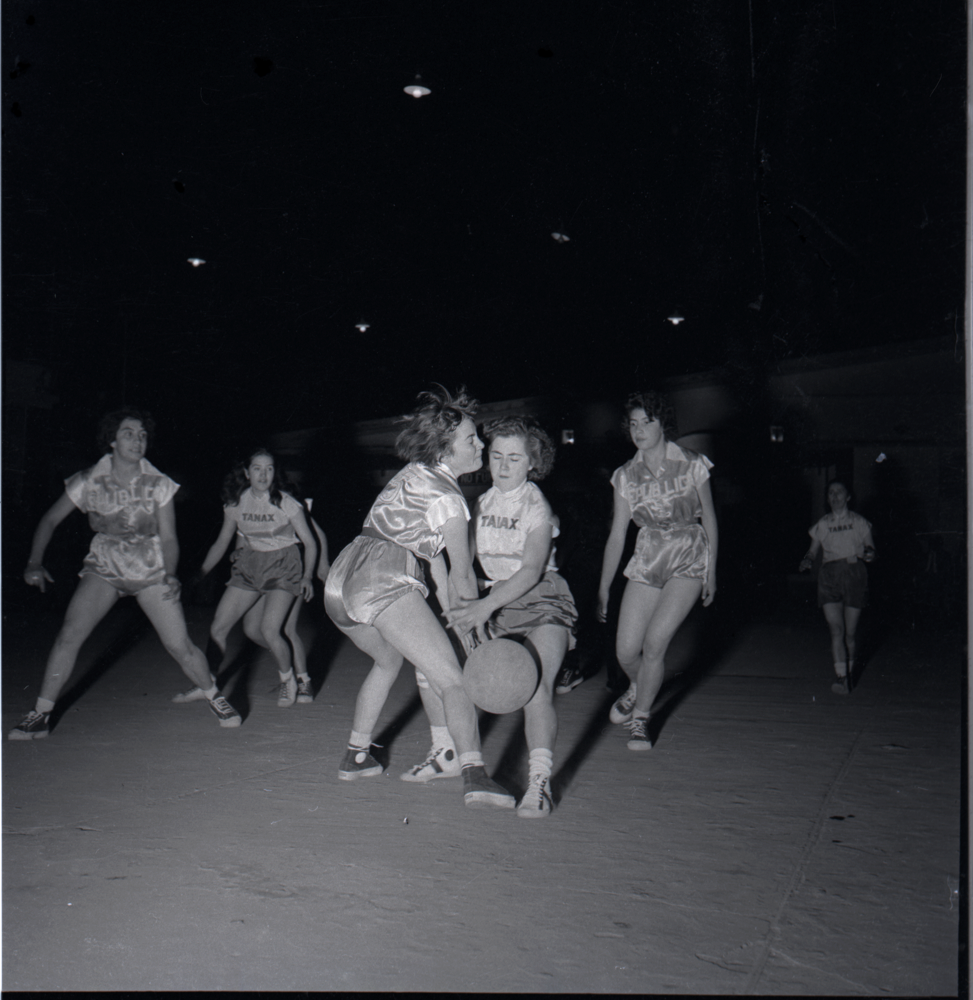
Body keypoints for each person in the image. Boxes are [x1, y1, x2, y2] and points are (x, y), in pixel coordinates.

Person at [324, 386, 515, 809]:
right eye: (471, 439)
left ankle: (356, 755)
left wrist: (454, 618)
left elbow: (437, 566)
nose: (480, 443)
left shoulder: (414, 471)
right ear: (446, 450)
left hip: (343, 576)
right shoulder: (450, 500)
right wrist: (474, 627)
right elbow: (462, 572)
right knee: (452, 679)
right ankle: (474, 775)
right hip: (383, 575)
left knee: (389, 660)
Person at [9, 408, 241, 739]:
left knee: (179, 645)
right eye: (129, 433)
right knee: (70, 634)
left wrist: (171, 574)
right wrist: (34, 561)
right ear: (112, 440)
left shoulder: (158, 483)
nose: (138, 440)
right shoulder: (89, 479)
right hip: (104, 565)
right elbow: (48, 520)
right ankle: (40, 714)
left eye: (143, 435)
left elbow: (170, 537)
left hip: (150, 567)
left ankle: (214, 696)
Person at [430, 415, 578, 819]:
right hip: (495, 600)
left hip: (541, 599)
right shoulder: (478, 505)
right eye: (497, 456)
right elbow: (460, 564)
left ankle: (539, 784)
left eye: (515, 457)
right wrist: (465, 609)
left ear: (533, 462)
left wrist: (481, 607)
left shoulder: (537, 507)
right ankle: (446, 753)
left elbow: (530, 571)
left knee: (536, 691)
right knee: (450, 673)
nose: (504, 465)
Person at [596, 391, 718, 750]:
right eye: (633, 423)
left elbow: (709, 516)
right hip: (649, 554)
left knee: (654, 645)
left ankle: (641, 720)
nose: (639, 429)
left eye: (647, 421)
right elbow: (618, 534)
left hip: (689, 556)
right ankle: (638, 686)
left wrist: (711, 571)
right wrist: (605, 587)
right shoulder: (625, 475)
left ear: (663, 423)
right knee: (625, 652)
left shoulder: (693, 463)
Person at [172, 448, 317, 708]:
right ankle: (207, 682)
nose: (263, 474)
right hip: (251, 566)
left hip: (284, 565)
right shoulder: (236, 502)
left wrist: (307, 576)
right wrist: (201, 573)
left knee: (272, 630)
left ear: (275, 472)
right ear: (246, 473)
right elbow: (222, 542)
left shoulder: (286, 502)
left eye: (269, 468)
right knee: (219, 627)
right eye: (258, 468)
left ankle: (290, 680)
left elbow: (311, 542)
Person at [237, 499, 330, 703]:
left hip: (289, 568)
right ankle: (290, 666)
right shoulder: (247, 503)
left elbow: (317, 534)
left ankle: (303, 681)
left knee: (285, 630)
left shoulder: (287, 501)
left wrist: (322, 564)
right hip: (261, 570)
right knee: (252, 628)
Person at [799, 479, 875, 694]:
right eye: (831, 493)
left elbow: (871, 549)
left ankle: (848, 674)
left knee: (850, 634)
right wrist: (807, 559)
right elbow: (813, 551)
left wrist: (869, 554)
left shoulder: (860, 522)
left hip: (854, 574)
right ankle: (841, 677)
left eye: (839, 492)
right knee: (836, 629)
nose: (835, 496)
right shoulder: (823, 524)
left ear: (848, 496)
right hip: (829, 576)